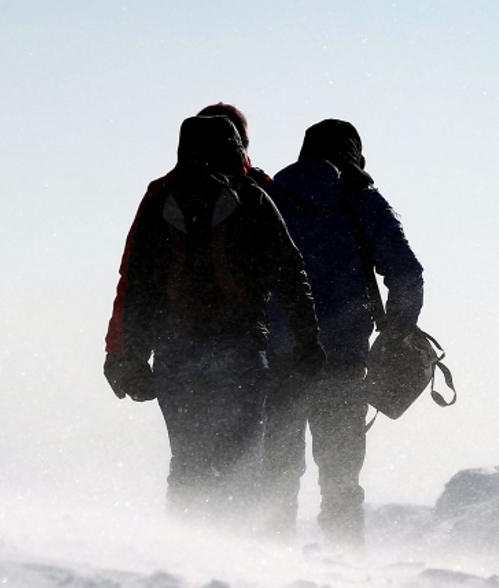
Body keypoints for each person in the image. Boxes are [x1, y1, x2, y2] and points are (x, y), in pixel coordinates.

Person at [103, 114, 324, 520]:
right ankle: (229, 552)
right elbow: (292, 274)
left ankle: (186, 547)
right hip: (240, 349)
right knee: (240, 458)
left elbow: (136, 285)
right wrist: (308, 341)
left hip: (176, 356)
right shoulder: (253, 197)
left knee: (188, 460)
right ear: (235, 149)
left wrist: (128, 357)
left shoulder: (159, 199)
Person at [262, 119, 424, 548]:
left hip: (280, 359)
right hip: (343, 360)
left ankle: (265, 574)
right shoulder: (361, 200)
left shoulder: (271, 198)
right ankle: (344, 572)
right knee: (340, 479)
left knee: (277, 475)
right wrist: (397, 333)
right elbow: (407, 274)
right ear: (355, 154)